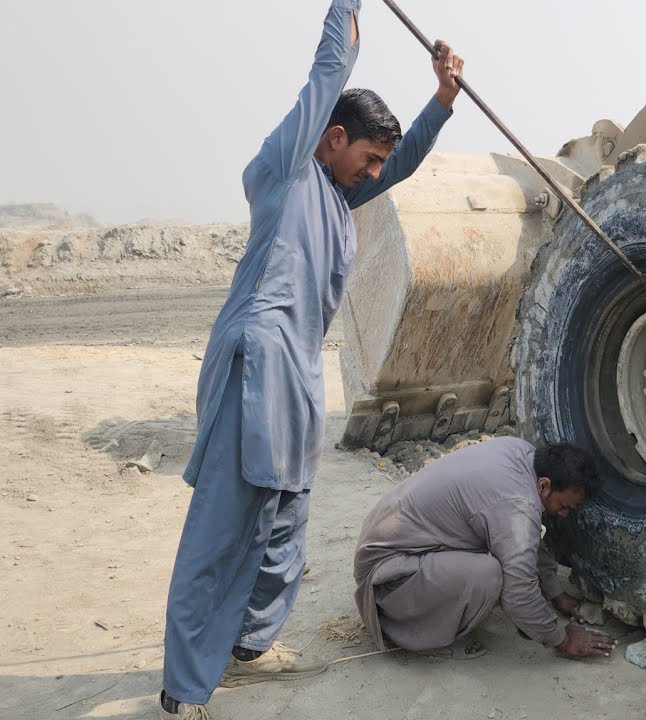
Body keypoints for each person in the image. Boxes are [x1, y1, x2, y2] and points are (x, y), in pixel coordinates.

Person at [159, 1, 464, 717]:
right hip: (255, 363)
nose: (375, 172)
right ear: (330, 137)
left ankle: (248, 646)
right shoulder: (285, 173)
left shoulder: (338, 192)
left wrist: (445, 97)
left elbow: (408, 159)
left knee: (285, 525)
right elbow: (329, 68)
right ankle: (184, 686)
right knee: (223, 528)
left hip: (298, 376)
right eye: (367, 156)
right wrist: (348, 7)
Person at [353, 437, 618, 660]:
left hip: (395, 547)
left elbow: (529, 538)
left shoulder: (521, 453)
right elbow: (519, 595)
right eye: (564, 507)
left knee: (496, 556)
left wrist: (555, 593)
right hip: (385, 580)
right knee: (488, 574)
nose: (563, 515)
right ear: (544, 485)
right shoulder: (517, 502)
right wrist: (562, 638)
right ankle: (429, 639)